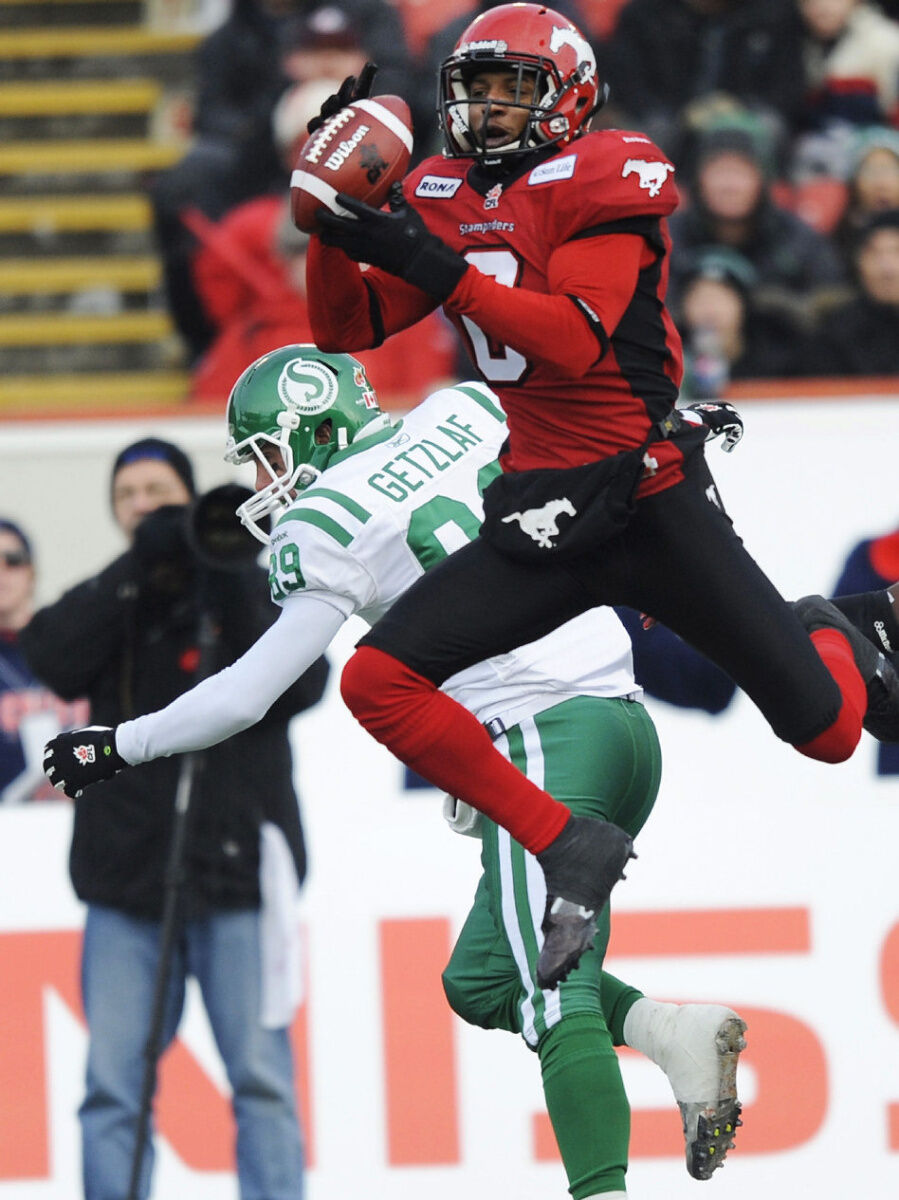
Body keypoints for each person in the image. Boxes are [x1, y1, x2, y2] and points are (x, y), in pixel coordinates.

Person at [42, 347, 748, 1195]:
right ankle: (668, 1031)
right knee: (482, 979)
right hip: (622, 725)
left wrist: (120, 743)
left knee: (555, 998)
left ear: (309, 428)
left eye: (268, 451)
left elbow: (246, 694)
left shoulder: (327, 519)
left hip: (540, 737)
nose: (267, 478)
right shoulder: (467, 411)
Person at [295, 3, 899, 989]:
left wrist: (426, 261)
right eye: (475, 86)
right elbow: (345, 327)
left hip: (646, 496)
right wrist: (329, 221)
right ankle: (564, 843)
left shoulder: (604, 171)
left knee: (827, 731)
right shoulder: (444, 189)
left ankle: (831, 623)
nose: (488, 109)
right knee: (375, 681)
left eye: (513, 87)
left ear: (568, 98)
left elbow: (574, 337)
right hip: (541, 509)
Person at [21, 437, 329, 1200]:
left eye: (160, 492)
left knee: (261, 1080)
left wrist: (219, 565)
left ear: (190, 497)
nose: (144, 507)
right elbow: (49, 654)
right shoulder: (117, 596)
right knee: (113, 1085)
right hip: (126, 885)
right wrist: (140, 568)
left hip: (236, 880)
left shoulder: (242, 587)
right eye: (129, 496)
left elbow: (303, 682)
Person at [0, 519, 88, 803]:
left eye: (12, 560)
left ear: (32, 572)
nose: (2, 572)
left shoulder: (73, 644)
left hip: (79, 820)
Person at [805, 208, 899, 373]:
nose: (887, 268)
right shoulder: (836, 332)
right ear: (858, 263)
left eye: (896, 252)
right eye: (874, 253)